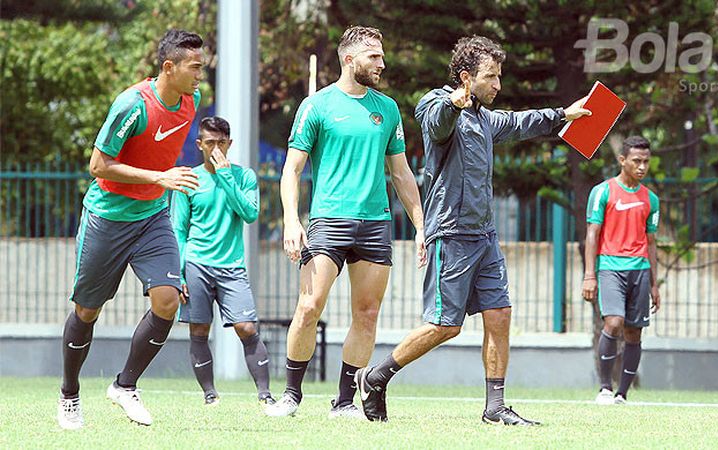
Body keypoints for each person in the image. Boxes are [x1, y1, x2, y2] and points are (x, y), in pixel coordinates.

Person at [354, 35, 591, 425]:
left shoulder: (484, 117)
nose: (498, 84)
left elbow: (519, 122)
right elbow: (436, 121)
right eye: (491, 77)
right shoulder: (436, 103)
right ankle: (376, 376)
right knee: (444, 326)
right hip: (451, 235)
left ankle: (495, 408)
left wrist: (564, 114)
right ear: (466, 77)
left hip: (484, 236)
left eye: (499, 76)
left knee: (500, 314)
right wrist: (453, 103)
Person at [265, 26, 425, 419]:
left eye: (382, 56)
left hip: (375, 223)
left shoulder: (386, 109)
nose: (382, 63)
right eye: (374, 56)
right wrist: (291, 220)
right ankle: (291, 395)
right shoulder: (316, 106)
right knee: (308, 307)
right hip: (328, 220)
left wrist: (421, 226)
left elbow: (402, 174)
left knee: (367, 314)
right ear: (350, 59)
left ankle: (343, 402)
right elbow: (292, 170)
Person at [57, 29, 204, 429]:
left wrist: (161, 185)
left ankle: (125, 386)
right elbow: (99, 166)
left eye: (202, 67)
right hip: (108, 217)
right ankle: (69, 394)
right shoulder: (131, 105)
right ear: (168, 67)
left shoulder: (192, 100)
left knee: (168, 300)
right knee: (87, 310)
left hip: (152, 217)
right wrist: (159, 177)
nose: (199, 75)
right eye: (194, 67)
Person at [170, 116, 272, 406]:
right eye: (210, 143)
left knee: (247, 328)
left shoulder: (244, 176)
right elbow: (178, 229)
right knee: (199, 331)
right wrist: (177, 273)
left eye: (222, 143)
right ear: (199, 144)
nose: (216, 148)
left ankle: (265, 395)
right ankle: (209, 394)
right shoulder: (189, 178)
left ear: (230, 144)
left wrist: (226, 176)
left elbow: (250, 214)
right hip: (196, 265)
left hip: (232, 266)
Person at [581, 136, 660, 405]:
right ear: (622, 160)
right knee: (613, 322)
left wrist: (654, 284)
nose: (642, 167)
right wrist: (589, 274)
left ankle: (622, 394)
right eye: (636, 161)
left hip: (639, 269)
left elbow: (651, 242)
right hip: (610, 268)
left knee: (634, 331)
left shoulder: (651, 199)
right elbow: (592, 234)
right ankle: (604, 387)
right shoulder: (603, 192)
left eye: (646, 162)